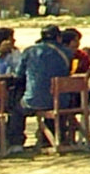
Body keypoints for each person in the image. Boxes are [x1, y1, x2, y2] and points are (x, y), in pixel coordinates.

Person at [5, 25, 74, 155]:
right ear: (59, 38)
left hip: (34, 101)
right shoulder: (67, 53)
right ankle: (48, 138)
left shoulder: (29, 51)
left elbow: (19, 75)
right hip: (60, 101)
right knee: (50, 96)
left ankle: (16, 143)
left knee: (16, 108)